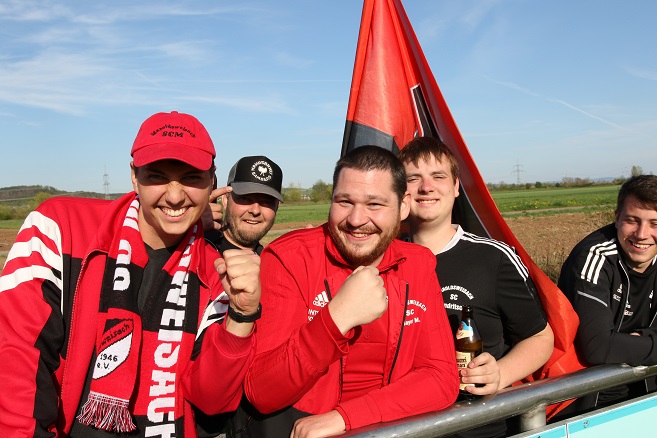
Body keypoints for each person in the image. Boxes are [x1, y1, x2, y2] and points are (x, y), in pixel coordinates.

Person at [0, 111, 262, 437]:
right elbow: (16, 362)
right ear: (134, 176)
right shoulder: (59, 229)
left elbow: (211, 404)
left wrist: (242, 315)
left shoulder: (218, 273)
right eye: (157, 176)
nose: (175, 196)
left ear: (212, 180)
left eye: (191, 177)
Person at [239, 145, 459, 437]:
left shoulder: (417, 265)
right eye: (344, 202)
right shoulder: (290, 258)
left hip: (388, 429)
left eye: (375, 204)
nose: (356, 220)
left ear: (404, 205)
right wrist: (336, 319)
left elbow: (441, 378)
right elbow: (263, 392)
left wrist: (346, 417)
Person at [397, 136, 554, 437]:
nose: (426, 187)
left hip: (481, 429)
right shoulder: (383, 260)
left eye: (438, 176)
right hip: (404, 427)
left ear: (456, 187)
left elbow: (540, 337)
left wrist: (499, 374)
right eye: (413, 179)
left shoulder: (494, 258)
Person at [558, 174, 657, 413]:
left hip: (648, 389)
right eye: (632, 220)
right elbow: (597, 346)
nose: (642, 234)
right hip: (594, 400)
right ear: (616, 217)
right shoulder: (594, 257)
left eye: (654, 223)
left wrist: (639, 339)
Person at [204, 155, 284, 255]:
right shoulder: (197, 250)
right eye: (245, 199)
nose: (255, 210)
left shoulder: (271, 260)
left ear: (277, 206)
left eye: (266, 202)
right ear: (225, 200)